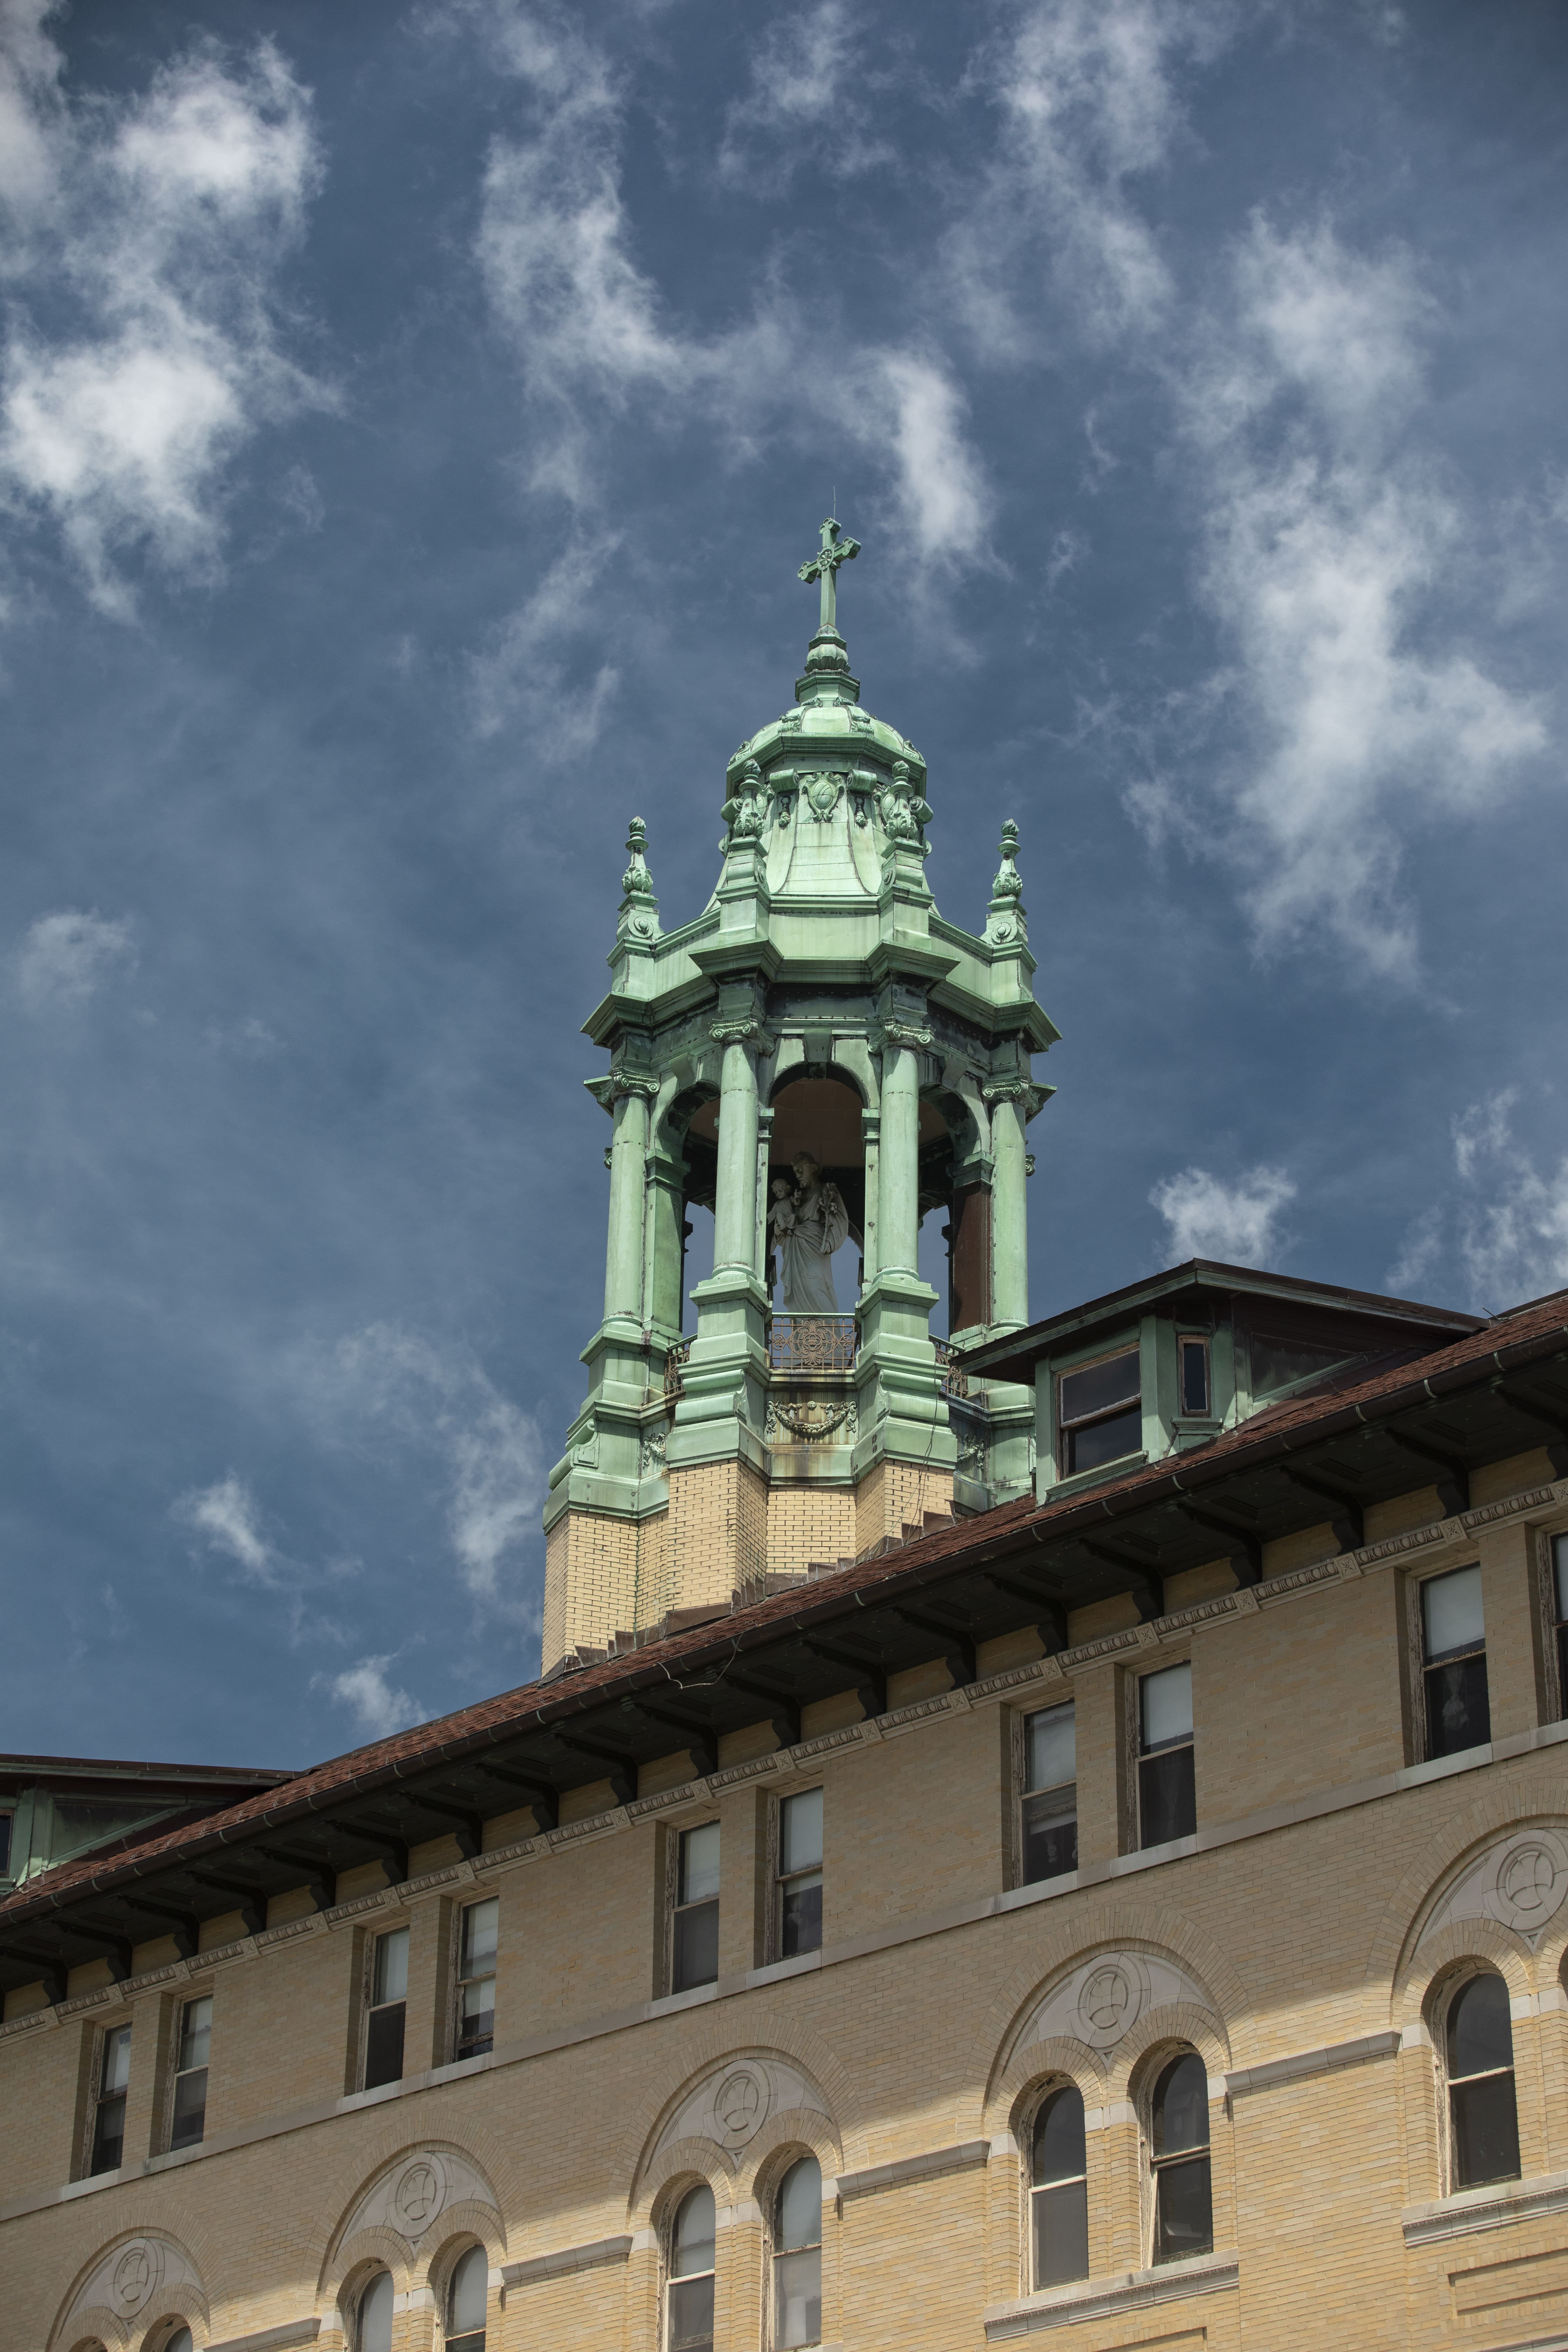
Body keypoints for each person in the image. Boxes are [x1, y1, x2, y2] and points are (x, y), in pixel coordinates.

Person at [775, 1153, 849, 1312]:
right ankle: (805, 1326)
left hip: (815, 1246)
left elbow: (840, 1219)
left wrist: (830, 1241)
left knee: (815, 1284)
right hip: (795, 1247)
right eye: (796, 1172)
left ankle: (831, 1326)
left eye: (801, 1171)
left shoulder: (826, 1191)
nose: (798, 1176)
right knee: (798, 1287)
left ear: (813, 1169)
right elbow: (786, 1227)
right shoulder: (798, 1198)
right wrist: (779, 1232)